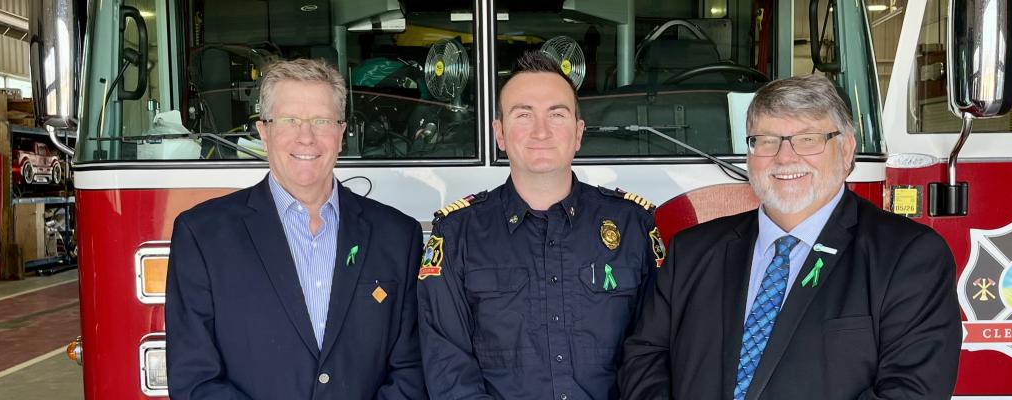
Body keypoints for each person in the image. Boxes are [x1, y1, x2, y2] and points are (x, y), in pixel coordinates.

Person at [617, 75, 961, 400]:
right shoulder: (691, 251)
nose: (784, 157)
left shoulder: (909, 257)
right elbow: (645, 357)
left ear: (846, 150)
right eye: (765, 140)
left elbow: (911, 390)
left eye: (807, 139)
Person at [166, 58, 425, 399]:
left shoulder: (398, 236)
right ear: (263, 131)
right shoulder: (201, 235)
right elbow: (194, 379)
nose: (307, 138)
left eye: (321, 121)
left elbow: (412, 369)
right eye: (289, 121)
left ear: (342, 132)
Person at [417, 51, 666, 400]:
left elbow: (655, 352)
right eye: (523, 115)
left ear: (578, 133)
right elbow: (448, 365)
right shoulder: (457, 233)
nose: (541, 131)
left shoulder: (634, 226)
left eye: (557, 114)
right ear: (500, 134)